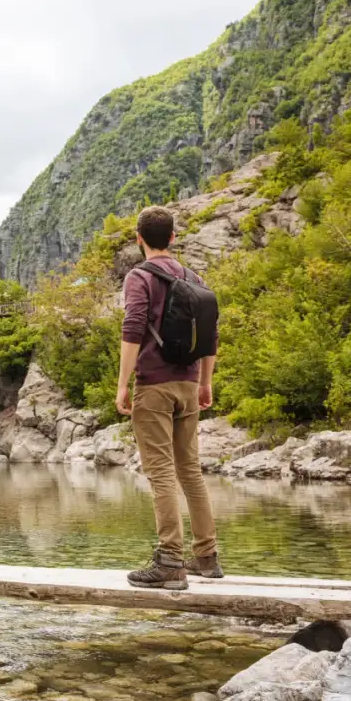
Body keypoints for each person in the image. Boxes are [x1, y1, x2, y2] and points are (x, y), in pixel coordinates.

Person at [115, 206, 223, 591]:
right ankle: (207, 558)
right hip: (189, 384)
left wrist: (123, 383)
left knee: (160, 472)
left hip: (155, 386)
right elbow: (209, 334)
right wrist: (204, 382)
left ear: (138, 238)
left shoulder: (139, 277)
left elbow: (132, 328)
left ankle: (170, 562)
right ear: (173, 238)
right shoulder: (193, 277)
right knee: (190, 471)